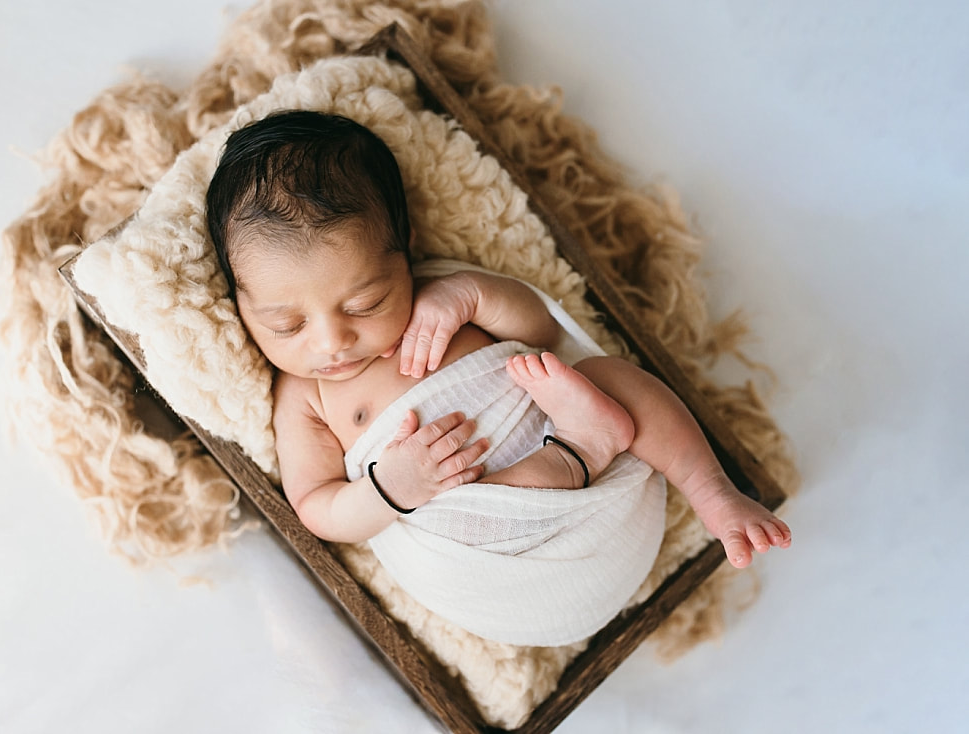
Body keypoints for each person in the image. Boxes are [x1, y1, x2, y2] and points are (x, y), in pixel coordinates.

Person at [205, 109, 790, 571]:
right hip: (472, 518)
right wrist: (389, 490)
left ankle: (710, 490)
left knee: (609, 378)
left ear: (404, 250)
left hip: (568, 443)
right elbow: (316, 506)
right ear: (241, 305)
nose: (334, 341)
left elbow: (540, 334)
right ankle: (580, 452)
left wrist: (471, 295)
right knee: (452, 517)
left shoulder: (439, 295)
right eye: (288, 325)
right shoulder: (301, 394)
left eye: (366, 303)